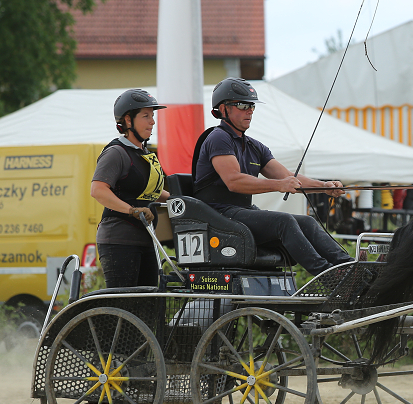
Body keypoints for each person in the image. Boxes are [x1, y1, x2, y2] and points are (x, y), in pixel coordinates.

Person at [193, 77, 353, 275]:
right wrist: (279, 185)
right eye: (242, 105)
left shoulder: (254, 146)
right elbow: (233, 181)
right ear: (223, 109)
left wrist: (324, 186)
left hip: (242, 212)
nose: (250, 110)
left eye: (252, 106)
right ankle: (329, 275)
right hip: (218, 214)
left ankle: (350, 268)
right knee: (283, 222)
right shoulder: (218, 138)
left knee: (308, 222)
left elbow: (288, 177)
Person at [91, 89, 169, 288]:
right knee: (124, 306)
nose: (152, 121)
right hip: (119, 240)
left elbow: (152, 192)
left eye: (153, 116)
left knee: (148, 304)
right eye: (146, 116)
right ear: (127, 120)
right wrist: (131, 210)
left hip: (146, 239)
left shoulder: (144, 154)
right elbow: (98, 190)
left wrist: (181, 200)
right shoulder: (116, 152)